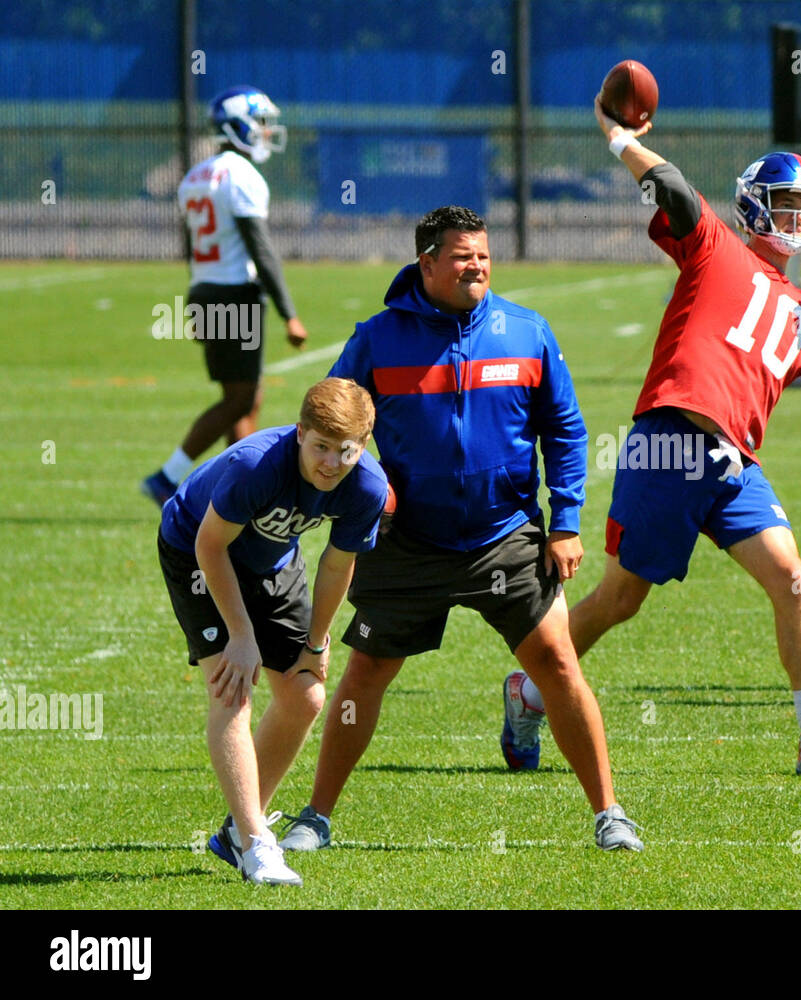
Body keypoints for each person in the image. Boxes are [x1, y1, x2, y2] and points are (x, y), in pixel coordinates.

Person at [510, 101, 801, 779]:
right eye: (785, 204)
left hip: (735, 461)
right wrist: (620, 136)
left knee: (792, 580)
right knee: (621, 600)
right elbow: (674, 189)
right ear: (752, 207)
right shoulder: (716, 247)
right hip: (669, 441)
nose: (797, 219)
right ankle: (530, 690)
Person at [278, 206, 643, 853]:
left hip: (505, 536)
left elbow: (565, 431)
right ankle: (315, 817)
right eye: (461, 256)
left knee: (558, 663)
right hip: (408, 544)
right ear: (427, 264)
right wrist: (359, 489)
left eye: (483, 255)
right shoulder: (378, 338)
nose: (476, 266)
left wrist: (565, 523)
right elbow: (338, 422)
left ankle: (609, 815)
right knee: (365, 674)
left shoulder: (526, 332)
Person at [157, 377, 388, 884]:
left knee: (305, 697)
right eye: (320, 447)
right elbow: (209, 547)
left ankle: (238, 834)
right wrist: (240, 637)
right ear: (300, 433)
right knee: (233, 690)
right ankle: (258, 843)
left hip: (274, 560)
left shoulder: (368, 485)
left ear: (363, 445)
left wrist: (317, 642)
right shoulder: (255, 466)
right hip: (196, 550)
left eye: (345, 451)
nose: (330, 462)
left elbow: (335, 563)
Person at [142, 86, 309, 507]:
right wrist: (289, 313)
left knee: (241, 397)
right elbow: (261, 248)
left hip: (206, 289)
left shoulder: (196, 175)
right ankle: (169, 476)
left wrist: (195, 300)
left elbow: (192, 247)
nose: (269, 132)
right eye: (262, 124)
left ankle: (242, 486)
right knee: (241, 398)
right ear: (240, 126)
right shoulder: (242, 175)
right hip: (236, 294)